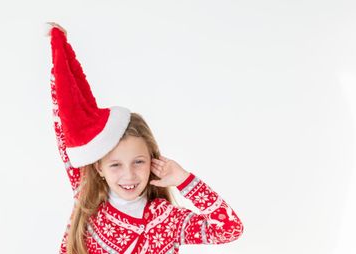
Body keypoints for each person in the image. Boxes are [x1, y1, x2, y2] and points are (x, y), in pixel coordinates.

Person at [46, 22, 244, 254]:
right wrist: (60, 52)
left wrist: (184, 180)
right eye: (116, 164)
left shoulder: (166, 219)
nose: (128, 175)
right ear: (99, 166)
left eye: (138, 161)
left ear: (153, 161)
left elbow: (229, 229)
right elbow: (66, 120)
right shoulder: (87, 197)